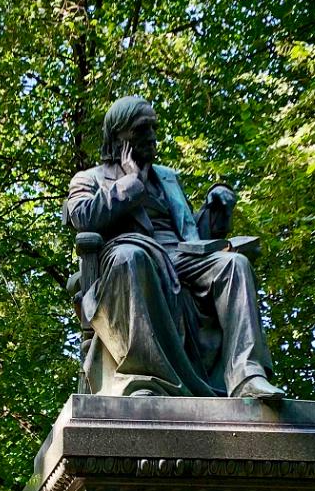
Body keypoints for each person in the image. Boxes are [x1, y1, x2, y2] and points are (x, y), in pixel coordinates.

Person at [63, 95, 286, 401]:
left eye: (153, 128)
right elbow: (82, 216)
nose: (152, 137)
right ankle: (145, 379)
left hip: (180, 257)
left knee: (234, 265)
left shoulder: (168, 177)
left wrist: (214, 211)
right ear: (119, 137)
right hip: (130, 255)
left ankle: (247, 375)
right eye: (143, 130)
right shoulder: (90, 178)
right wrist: (131, 184)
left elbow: (189, 232)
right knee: (132, 257)